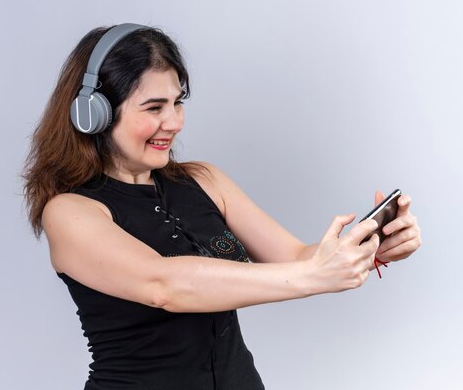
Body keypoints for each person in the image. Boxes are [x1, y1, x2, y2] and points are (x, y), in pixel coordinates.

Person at [22, 24, 421, 390]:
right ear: (95, 114)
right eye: (154, 107)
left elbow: (295, 256)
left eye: (178, 103)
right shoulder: (71, 212)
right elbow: (164, 285)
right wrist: (314, 276)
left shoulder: (205, 180)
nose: (174, 122)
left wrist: (364, 250)